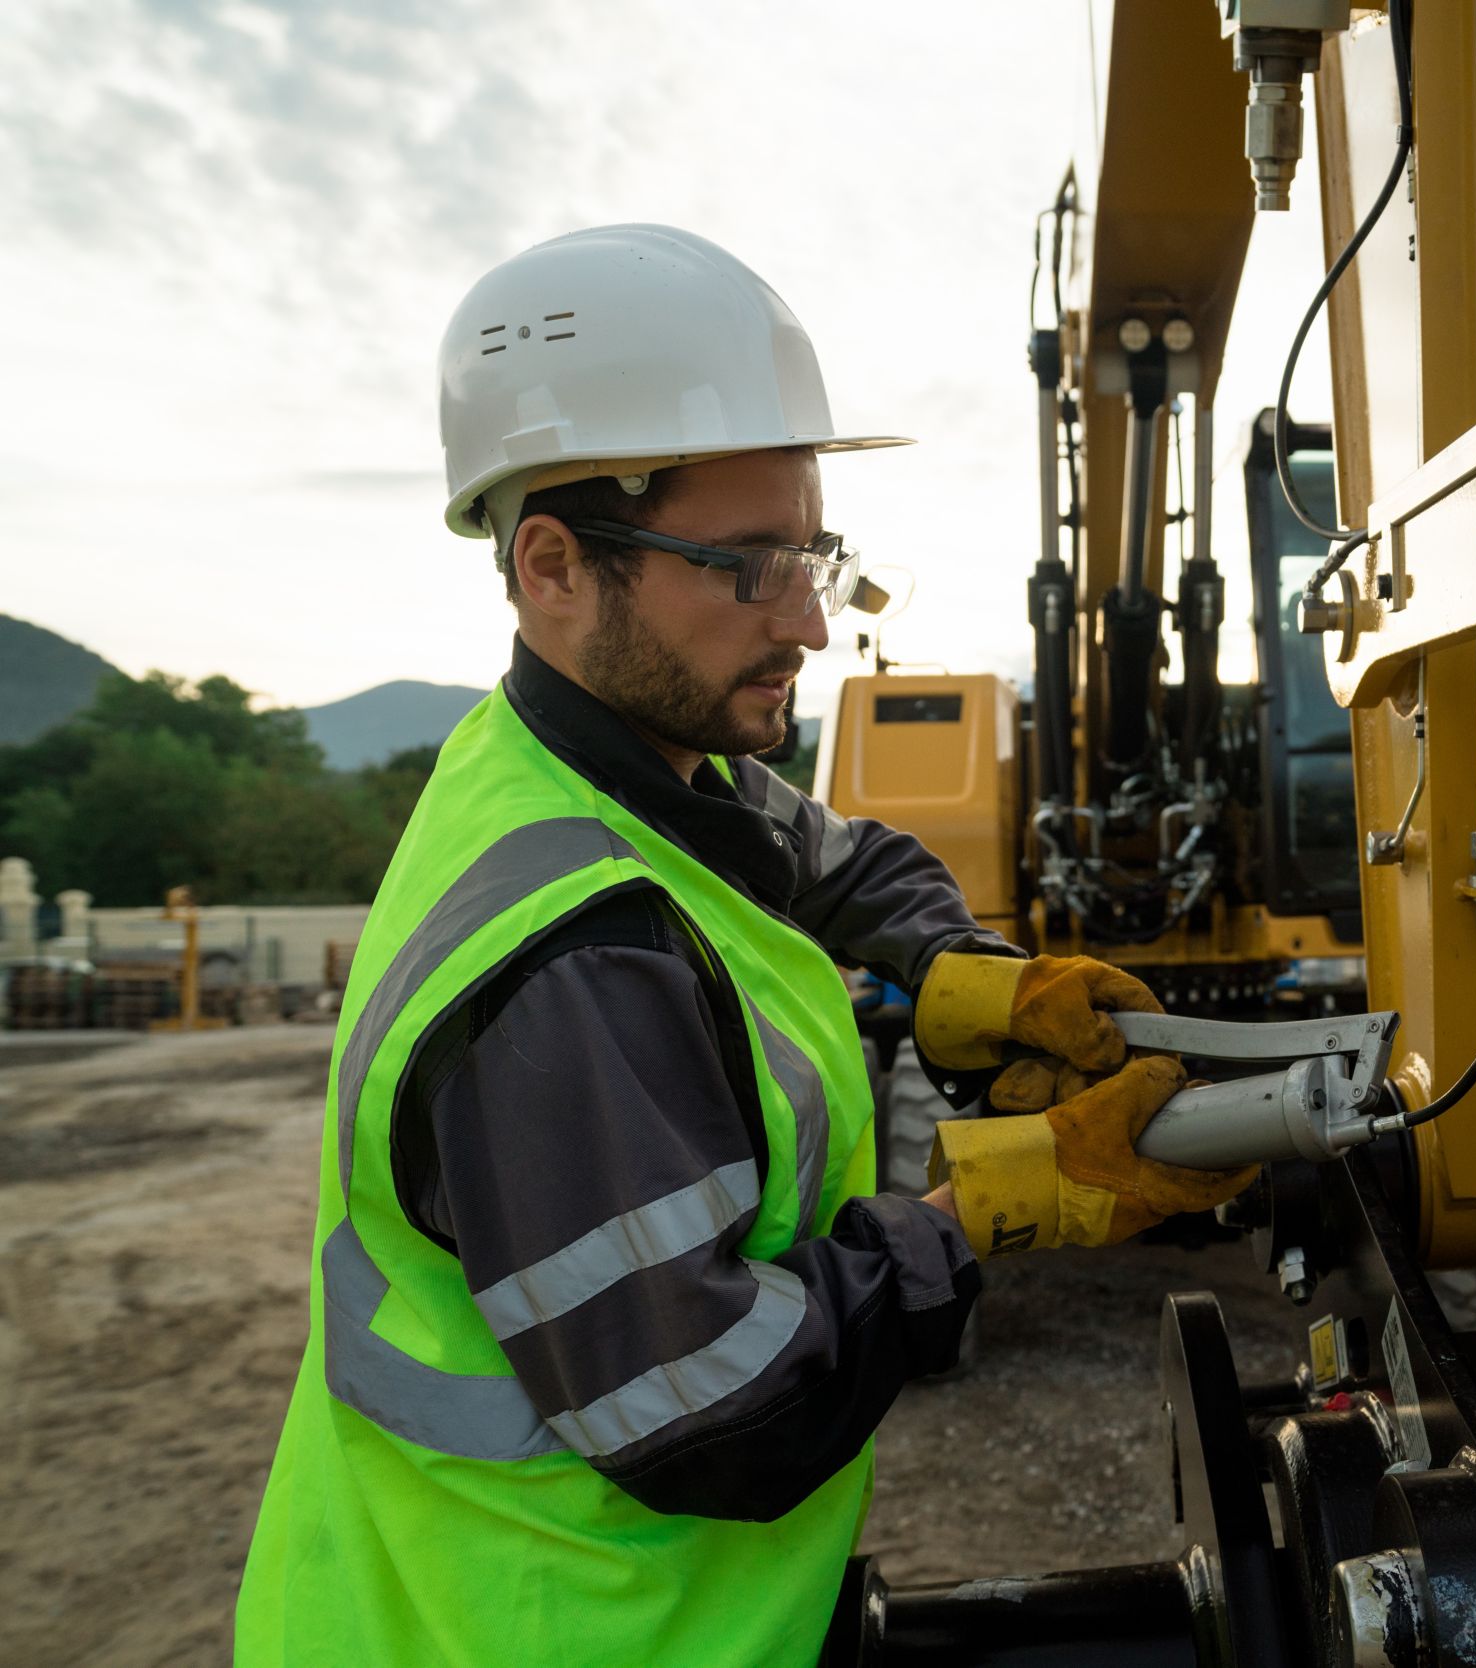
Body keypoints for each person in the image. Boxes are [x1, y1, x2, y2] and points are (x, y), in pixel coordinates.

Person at [235, 224, 1250, 1668]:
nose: (812, 624)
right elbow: (712, 1407)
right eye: (748, 569)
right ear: (553, 566)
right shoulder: (570, 969)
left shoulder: (612, 763)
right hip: (546, 1631)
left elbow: (843, 858)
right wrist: (995, 1206)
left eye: (812, 555)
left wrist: (963, 971)